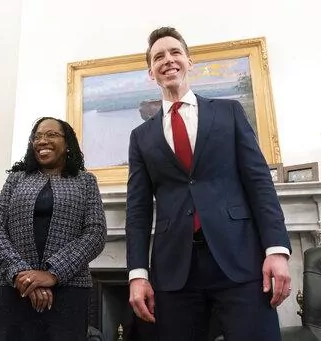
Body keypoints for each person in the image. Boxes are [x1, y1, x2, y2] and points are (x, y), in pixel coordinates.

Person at [125, 27, 292, 341]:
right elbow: (137, 212)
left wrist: (277, 249)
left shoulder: (228, 113)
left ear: (190, 61)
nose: (167, 60)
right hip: (175, 270)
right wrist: (137, 274)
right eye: (158, 56)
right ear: (151, 72)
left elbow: (259, 184)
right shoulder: (141, 137)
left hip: (240, 259)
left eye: (175, 52)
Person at [0, 117, 107, 341]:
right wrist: (23, 275)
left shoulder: (85, 181)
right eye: (38, 137)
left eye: (51, 135)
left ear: (68, 143)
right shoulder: (16, 179)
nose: (43, 141)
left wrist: (52, 274)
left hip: (68, 291)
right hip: (15, 288)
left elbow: (95, 233)